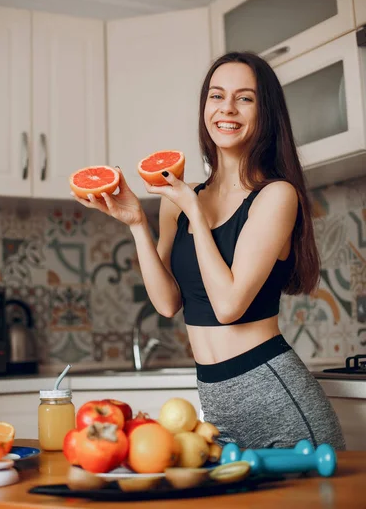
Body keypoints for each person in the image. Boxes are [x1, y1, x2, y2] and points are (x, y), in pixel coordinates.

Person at [71, 51, 345, 450]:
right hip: (218, 404)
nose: (227, 108)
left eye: (245, 98)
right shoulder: (179, 199)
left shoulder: (275, 196)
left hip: (278, 401)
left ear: (265, 112)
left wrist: (195, 213)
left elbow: (228, 306)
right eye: (216, 96)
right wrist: (136, 225)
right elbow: (167, 303)